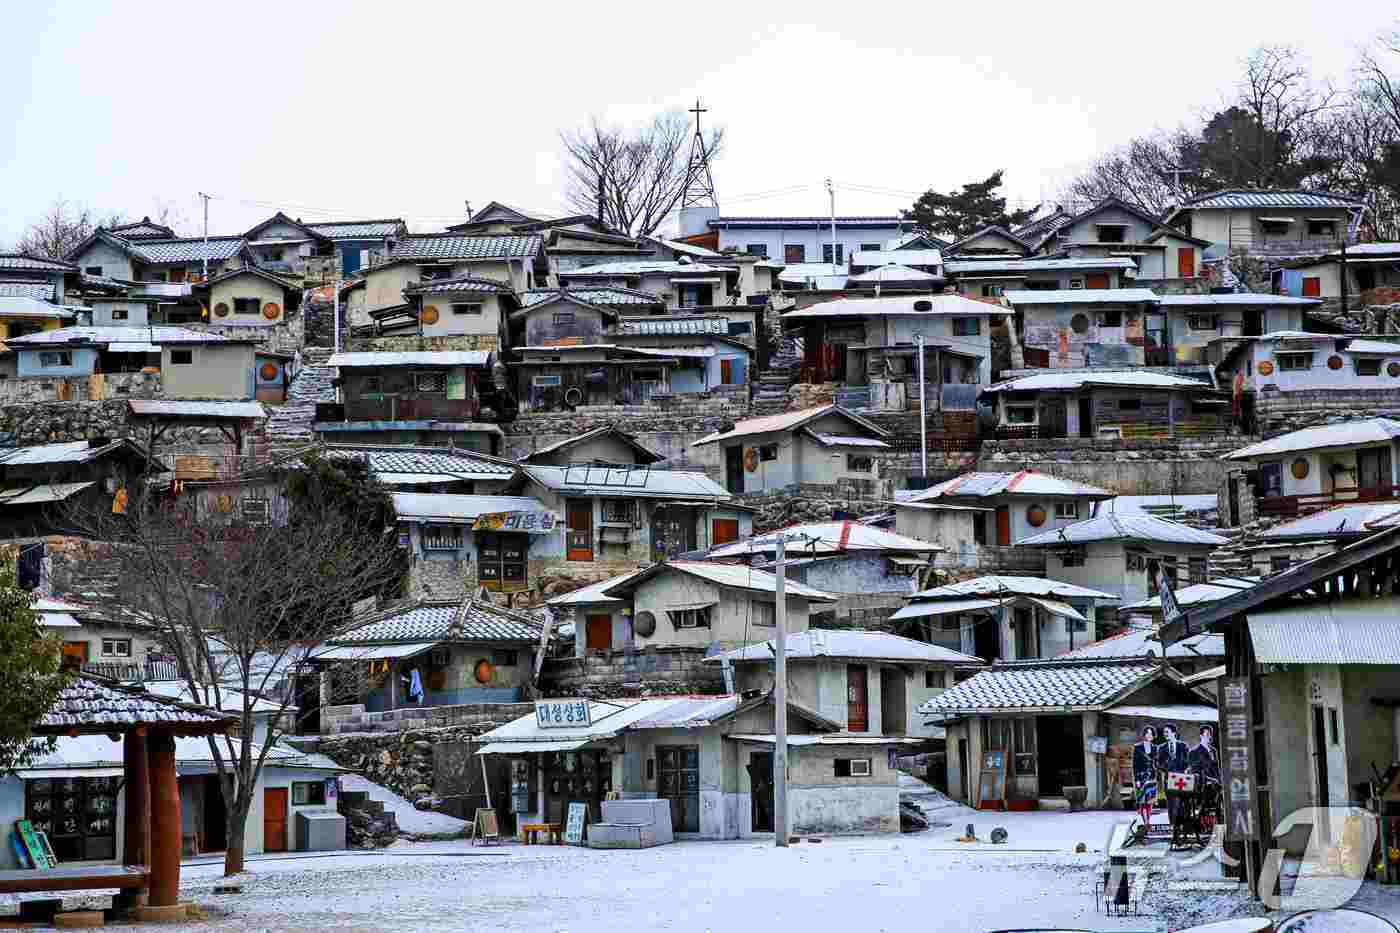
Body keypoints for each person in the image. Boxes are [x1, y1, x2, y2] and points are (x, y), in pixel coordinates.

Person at [1157, 723, 1191, 843]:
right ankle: (1174, 831)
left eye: (1167, 732)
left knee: (1183, 806)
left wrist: (1182, 770)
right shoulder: (1161, 747)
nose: (1165, 734)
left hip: (1182, 779)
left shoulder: (1183, 746)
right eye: (1164, 732)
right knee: (1172, 807)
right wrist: (1167, 766)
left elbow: (1188, 761)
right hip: (1169, 779)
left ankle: (1184, 831)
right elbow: (1159, 764)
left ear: (1174, 733)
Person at [1131, 725, 1158, 830]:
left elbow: (1156, 762)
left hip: (1151, 776)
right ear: (1144, 735)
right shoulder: (1137, 747)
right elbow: (1135, 765)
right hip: (1141, 777)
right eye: (1147, 733)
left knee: (1150, 801)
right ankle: (1146, 822)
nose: (1149, 735)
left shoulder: (1155, 748)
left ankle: (1148, 820)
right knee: (1142, 801)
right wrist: (1137, 779)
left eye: (1151, 733)